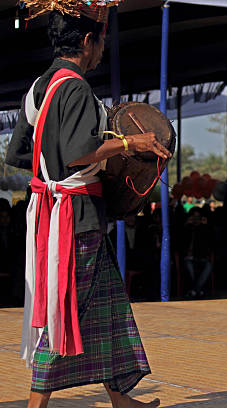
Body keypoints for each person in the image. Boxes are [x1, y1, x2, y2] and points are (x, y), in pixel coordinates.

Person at [6, 3, 170, 407]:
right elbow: (82, 151)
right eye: (101, 41)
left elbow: (19, 152)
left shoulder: (39, 87)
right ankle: (35, 404)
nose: (102, 49)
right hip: (74, 219)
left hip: (58, 212)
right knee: (64, 312)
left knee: (109, 309)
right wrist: (134, 143)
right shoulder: (76, 87)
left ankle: (120, 399)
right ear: (86, 41)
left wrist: (54, 171)